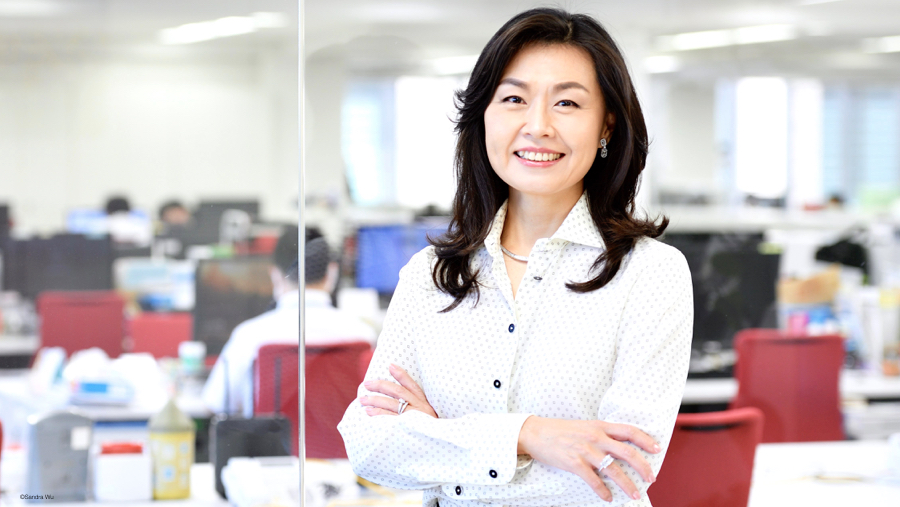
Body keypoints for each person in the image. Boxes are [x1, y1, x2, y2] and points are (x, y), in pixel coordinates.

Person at [338, 8, 692, 507]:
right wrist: (530, 436)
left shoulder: (651, 274)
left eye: (567, 102)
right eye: (514, 99)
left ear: (607, 124)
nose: (538, 125)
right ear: (484, 115)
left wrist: (440, 439)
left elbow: (619, 471)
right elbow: (371, 447)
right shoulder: (430, 276)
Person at [202, 227, 376, 416]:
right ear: (332, 272)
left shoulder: (250, 336)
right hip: (344, 446)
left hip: (271, 446)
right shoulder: (364, 335)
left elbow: (217, 403)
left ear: (275, 274)